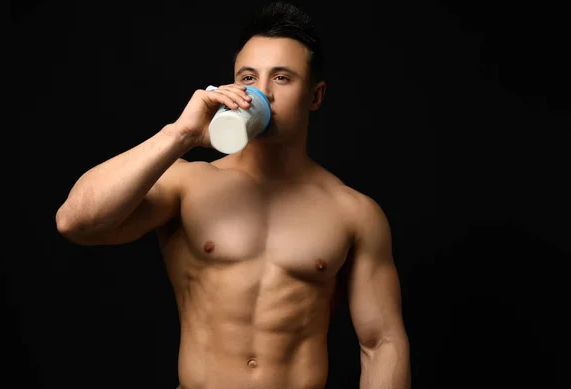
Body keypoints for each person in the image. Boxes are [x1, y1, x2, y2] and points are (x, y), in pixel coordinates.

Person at [55, 2, 411, 388]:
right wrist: (181, 135)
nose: (263, 92)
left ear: (315, 96)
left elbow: (381, 344)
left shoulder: (353, 212)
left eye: (283, 78)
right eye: (248, 77)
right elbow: (75, 222)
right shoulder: (189, 184)